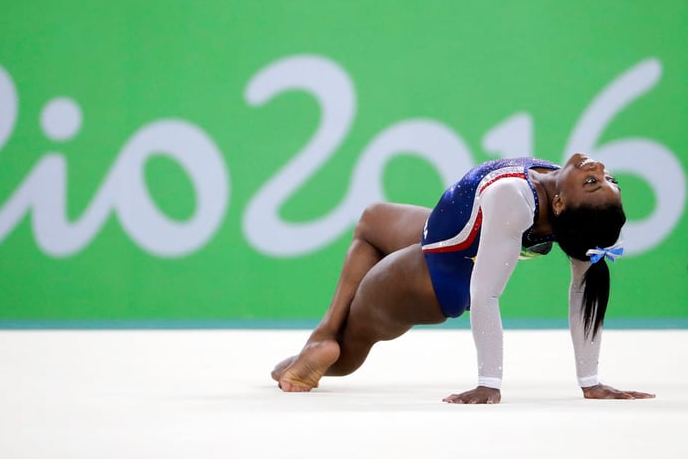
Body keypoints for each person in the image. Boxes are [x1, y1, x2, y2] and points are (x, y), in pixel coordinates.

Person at [271, 153, 655, 403]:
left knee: (353, 340)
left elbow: (488, 295)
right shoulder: (566, 202)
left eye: (593, 183)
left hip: (433, 276)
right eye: (608, 179)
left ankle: (324, 351)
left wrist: (490, 382)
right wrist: (589, 381)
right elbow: (580, 287)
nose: (598, 170)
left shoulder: (514, 198)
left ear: (559, 204)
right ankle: (320, 337)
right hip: (441, 237)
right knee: (373, 219)